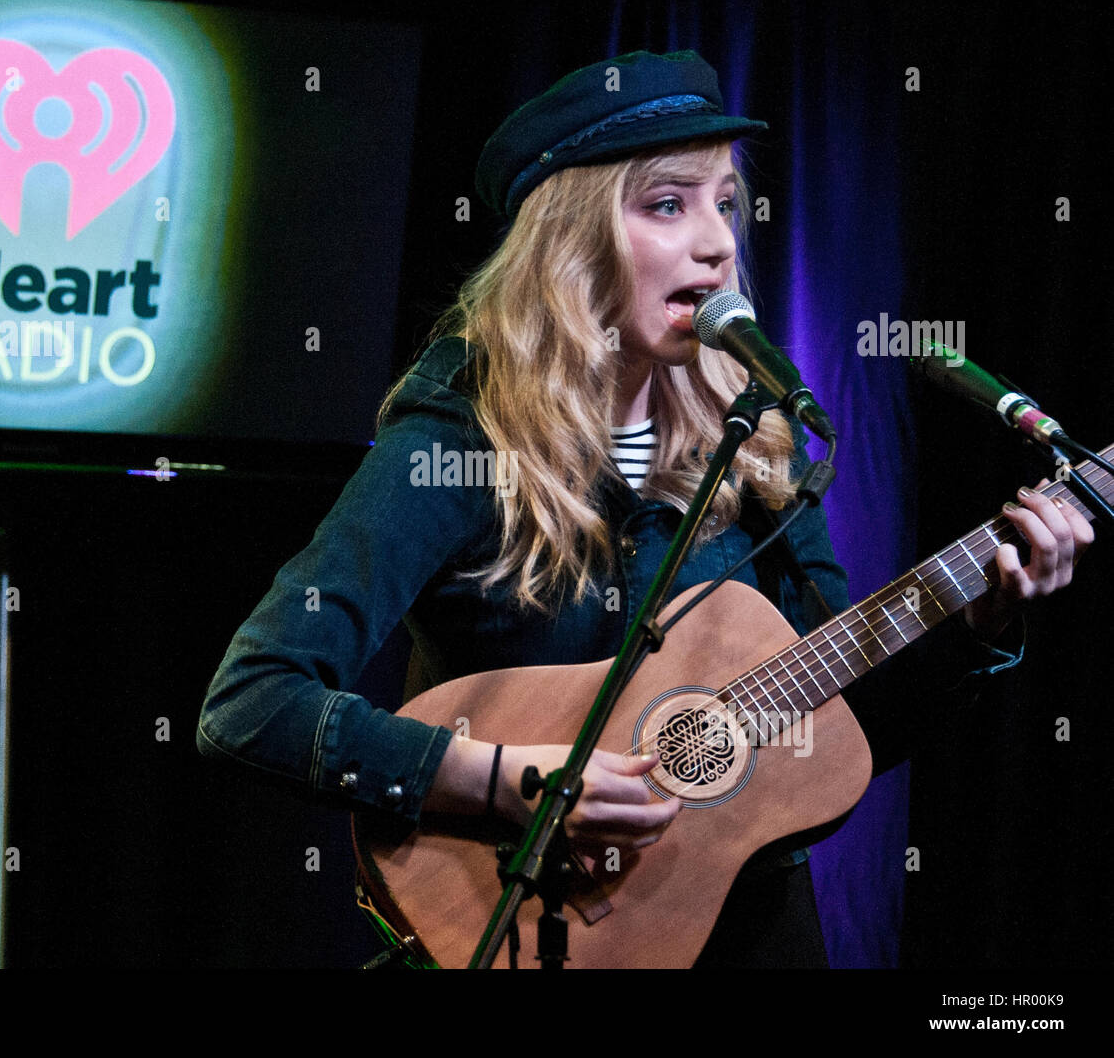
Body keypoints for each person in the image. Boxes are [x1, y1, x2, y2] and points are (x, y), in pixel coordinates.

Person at [197, 49, 1093, 967]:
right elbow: (251, 703)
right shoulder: (462, 437)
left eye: (725, 204)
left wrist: (977, 622)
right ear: (569, 242)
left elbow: (835, 729)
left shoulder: (757, 436)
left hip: (754, 938)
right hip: (535, 926)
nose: (719, 243)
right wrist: (512, 781)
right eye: (668, 204)